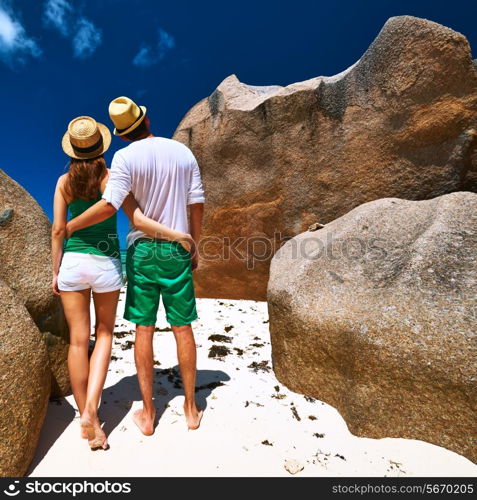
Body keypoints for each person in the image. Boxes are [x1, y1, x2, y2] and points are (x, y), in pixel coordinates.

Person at [52, 115, 194, 449]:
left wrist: (55, 270)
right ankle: (91, 411)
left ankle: (84, 412)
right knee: (103, 334)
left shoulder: (62, 183)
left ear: (72, 151)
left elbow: (58, 230)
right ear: (100, 148)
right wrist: (179, 235)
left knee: (77, 341)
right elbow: (137, 218)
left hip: (72, 262)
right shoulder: (111, 178)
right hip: (106, 264)